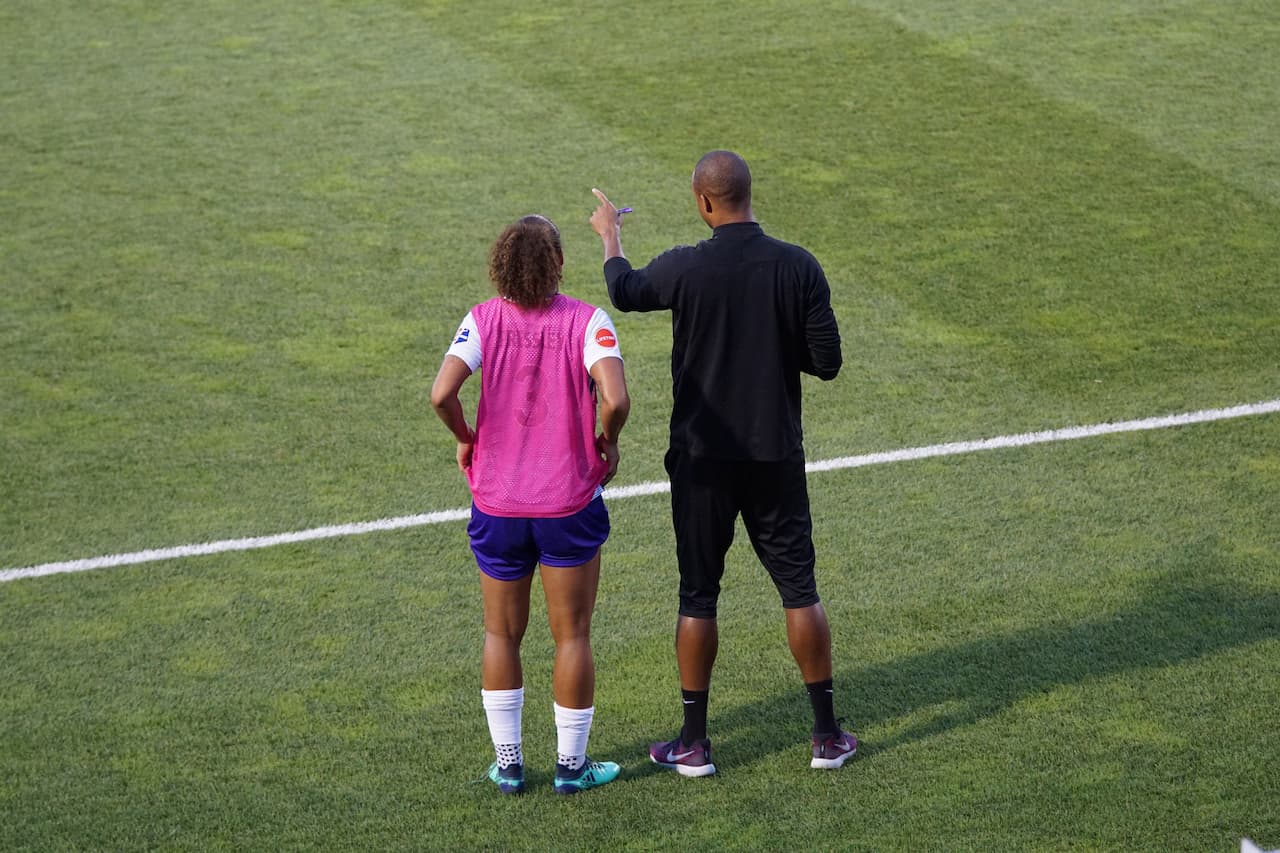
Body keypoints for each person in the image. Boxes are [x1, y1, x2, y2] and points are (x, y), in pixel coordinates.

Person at [588, 151, 856, 776]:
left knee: (697, 594)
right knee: (799, 589)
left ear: (704, 203)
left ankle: (694, 744)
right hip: (774, 456)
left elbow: (625, 292)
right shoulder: (798, 266)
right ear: (747, 195)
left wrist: (610, 235)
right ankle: (825, 736)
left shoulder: (687, 266)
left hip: (701, 459)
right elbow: (827, 361)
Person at [431, 214, 631, 795]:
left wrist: (465, 436)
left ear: (500, 266)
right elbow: (615, 397)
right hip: (568, 502)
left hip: (497, 506)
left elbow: (441, 393)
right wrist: (607, 438)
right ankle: (571, 769)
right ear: (559, 265)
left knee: (501, 634)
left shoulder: (482, 320)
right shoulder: (588, 321)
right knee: (572, 636)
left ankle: (510, 765)